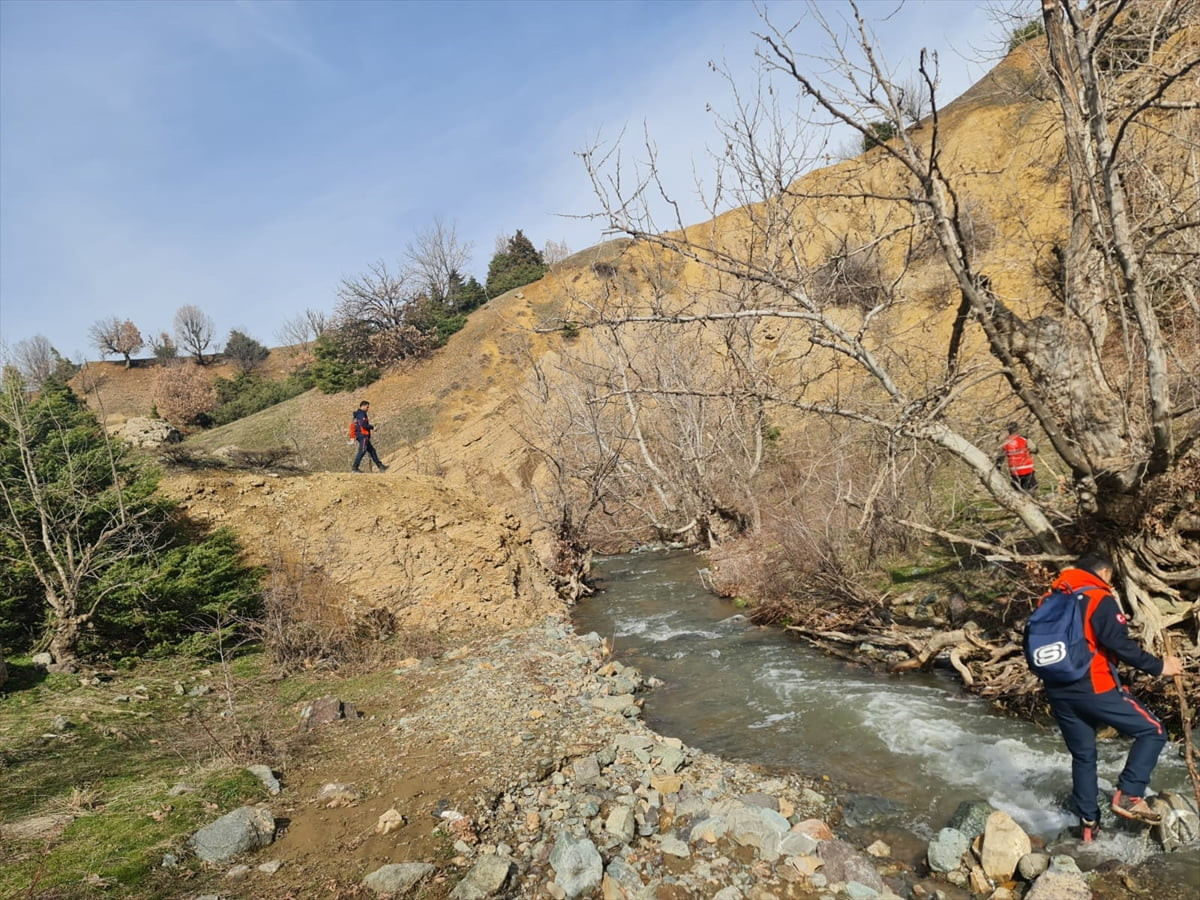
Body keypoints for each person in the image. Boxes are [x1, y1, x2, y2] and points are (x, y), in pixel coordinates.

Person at [1039, 552, 1183, 842]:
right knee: (1153, 731)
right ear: (1104, 573)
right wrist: (1159, 667)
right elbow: (1117, 643)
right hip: (1095, 687)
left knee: (1083, 756)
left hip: (1057, 689)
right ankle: (1129, 794)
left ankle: (1088, 826)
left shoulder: (1050, 599)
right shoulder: (1097, 597)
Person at [351, 400, 388, 473]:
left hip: (361, 435)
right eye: (367, 407)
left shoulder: (357, 415)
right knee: (362, 450)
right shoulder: (361, 414)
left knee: (372, 451)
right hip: (363, 435)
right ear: (363, 406)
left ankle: (380, 466)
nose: (368, 409)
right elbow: (363, 425)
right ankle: (355, 467)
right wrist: (372, 427)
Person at [1000, 422, 1038, 492]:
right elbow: (1035, 450)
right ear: (1017, 429)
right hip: (1027, 469)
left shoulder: (1005, 442)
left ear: (1008, 430)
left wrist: (998, 468)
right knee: (1031, 487)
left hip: (1015, 471)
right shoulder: (1024, 439)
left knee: (1018, 490)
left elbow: (1000, 458)